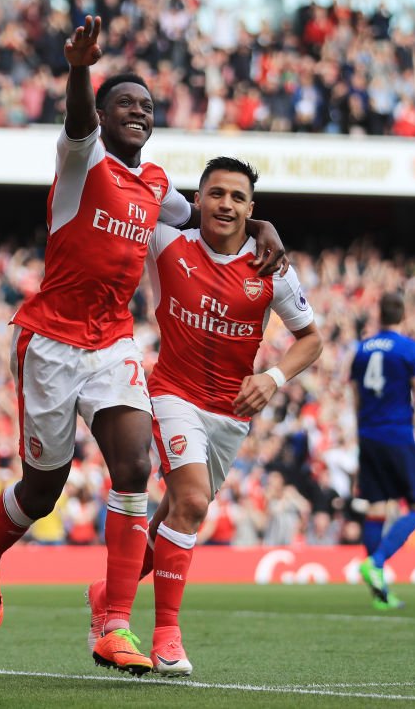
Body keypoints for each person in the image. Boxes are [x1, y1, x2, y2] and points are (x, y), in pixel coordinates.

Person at [0, 17, 286, 675]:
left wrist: (263, 223)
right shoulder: (82, 160)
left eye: (146, 105)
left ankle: (113, 624)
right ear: (104, 115)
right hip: (51, 341)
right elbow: (77, 120)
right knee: (43, 491)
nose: (138, 111)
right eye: (125, 104)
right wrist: (81, 70)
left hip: (112, 342)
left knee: (135, 466)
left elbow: (208, 217)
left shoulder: (158, 184)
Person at [85, 156, 322, 676]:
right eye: (216, 194)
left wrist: (273, 378)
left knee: (178, 512)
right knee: (192, 503)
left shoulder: (271, 268)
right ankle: (166, 636)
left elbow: (311, 339)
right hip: (173, 393)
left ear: (251, 208)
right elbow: (131, 193)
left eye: (238, 197)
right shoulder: (167, 241)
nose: (226, 204)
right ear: (197, 201)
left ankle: (107, 592)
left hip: (231, 413)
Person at [351, 292, 415, 609]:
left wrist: (362, 433)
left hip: (368, 434)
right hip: (397, 434)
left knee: (376, 508)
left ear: (379, 315)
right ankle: (377, 562)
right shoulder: (409, 348)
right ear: (403, 316)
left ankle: (379, 592)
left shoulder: (362, 350)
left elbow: (356, 399)